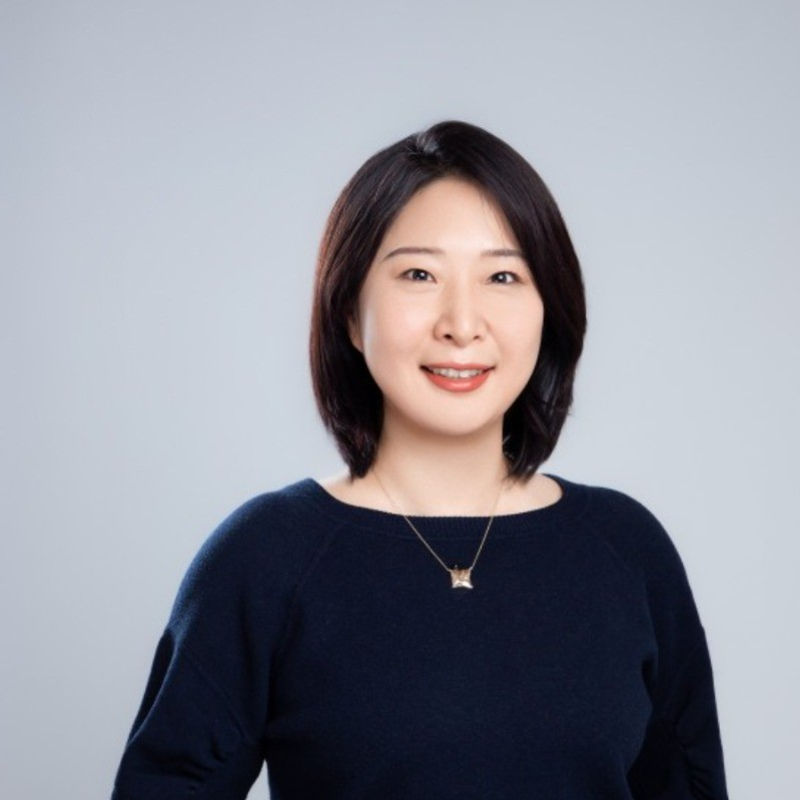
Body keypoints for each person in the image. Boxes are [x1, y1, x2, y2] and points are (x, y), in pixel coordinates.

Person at [110, 120, 730, 799]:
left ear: (548, 308)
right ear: (350, 312)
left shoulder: (627, 551)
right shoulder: (266, 557)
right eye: (418, 274)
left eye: (502, 275)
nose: (461, 324)